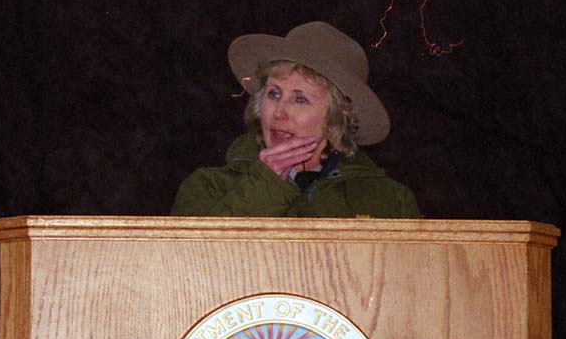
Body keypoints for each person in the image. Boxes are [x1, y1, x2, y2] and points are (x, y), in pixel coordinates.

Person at [170, 21, 421, 218]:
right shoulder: (209, 188)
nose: (278, 112)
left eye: (300, 99)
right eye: (274, 94)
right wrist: (265, 186)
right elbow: (187, 269)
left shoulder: (390, 201)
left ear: (336, 118)